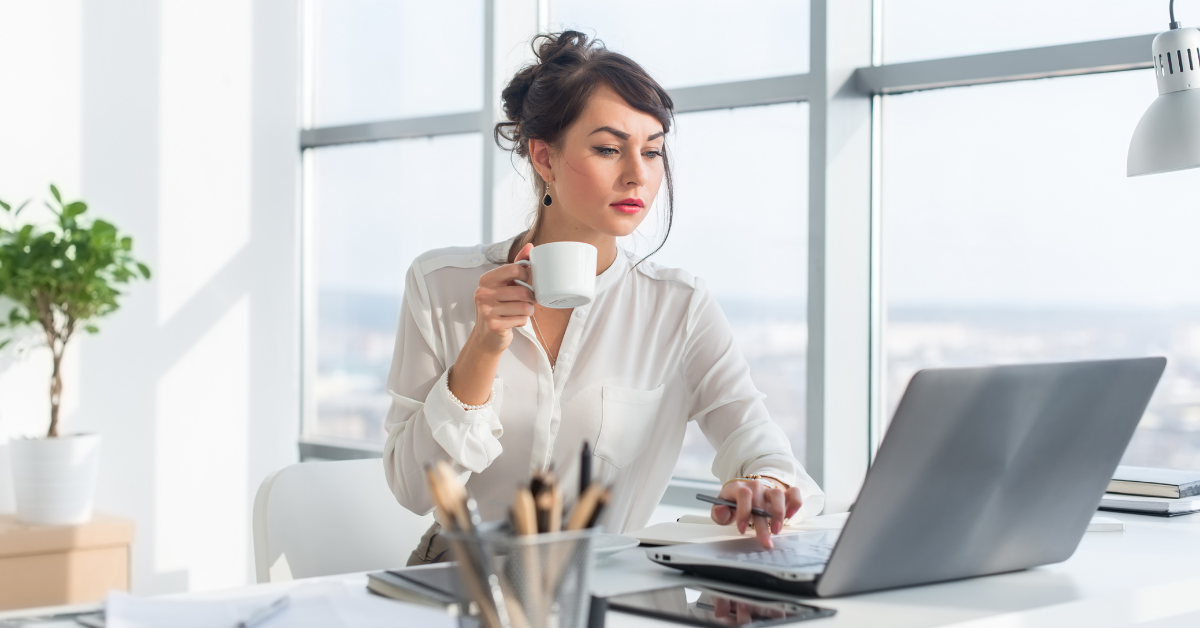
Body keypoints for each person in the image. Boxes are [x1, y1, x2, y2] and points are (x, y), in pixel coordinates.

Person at [382, 31, 823, 565]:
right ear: (543, 157)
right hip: (463, 583)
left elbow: (758, 440)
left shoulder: (678, 306)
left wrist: (764, 483)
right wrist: (483, 347)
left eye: (653, 151)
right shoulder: (441, 285)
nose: (638, 173)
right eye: (609, 149)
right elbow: (412, 489)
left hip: (607, 588)